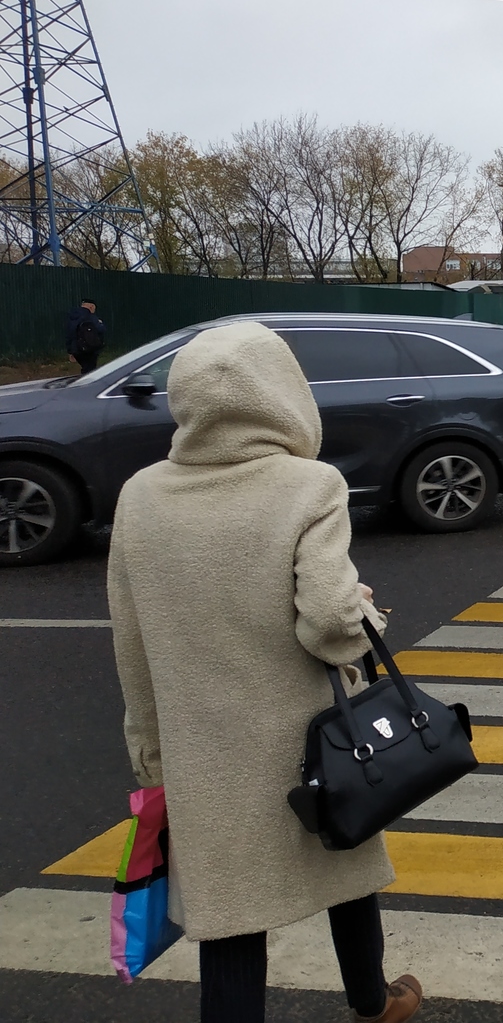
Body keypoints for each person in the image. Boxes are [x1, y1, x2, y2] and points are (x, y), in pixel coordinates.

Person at [107, 321, 422, 1023]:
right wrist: (369, 615)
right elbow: (333, 627)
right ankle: (375, 1002)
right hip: (313, 738)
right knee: (345, 860)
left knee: (232, 919)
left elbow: (131, 643)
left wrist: (150, 755)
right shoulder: (308, 484)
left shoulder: (140, 497)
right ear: (283, 395)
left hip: (203, 752)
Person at [65, 298, 105, 373]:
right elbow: (101, 330)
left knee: (86, 368)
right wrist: (101, 323)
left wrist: (70, 351)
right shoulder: (90, 317)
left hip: (76, 350)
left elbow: (69, 334)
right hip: (89, 349)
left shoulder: (72, 317)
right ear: (91, 307)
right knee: (90, 371)